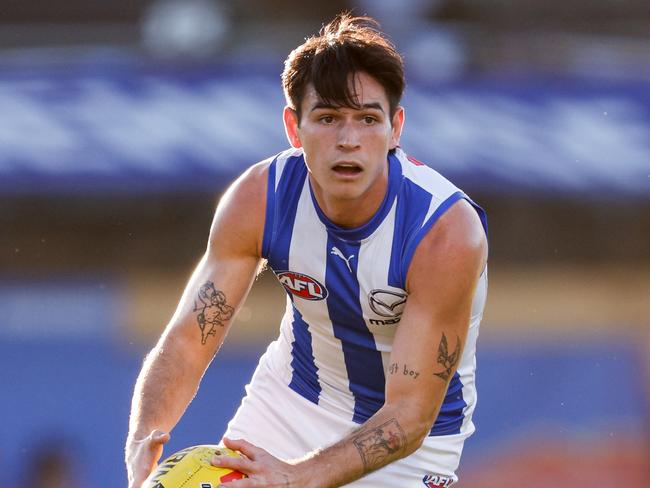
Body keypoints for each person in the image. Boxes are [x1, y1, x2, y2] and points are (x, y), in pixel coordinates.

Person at [125, 12, 488, 488]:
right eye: (328, 118)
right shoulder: (260, 198)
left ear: (396, 128)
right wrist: (144, 436)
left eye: (367, 119)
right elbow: (189, 339)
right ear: (293, 129)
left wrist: (300, 478)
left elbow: (409, 414)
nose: (348, 140)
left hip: (412, 441)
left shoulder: (444, 231)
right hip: (291, 401)